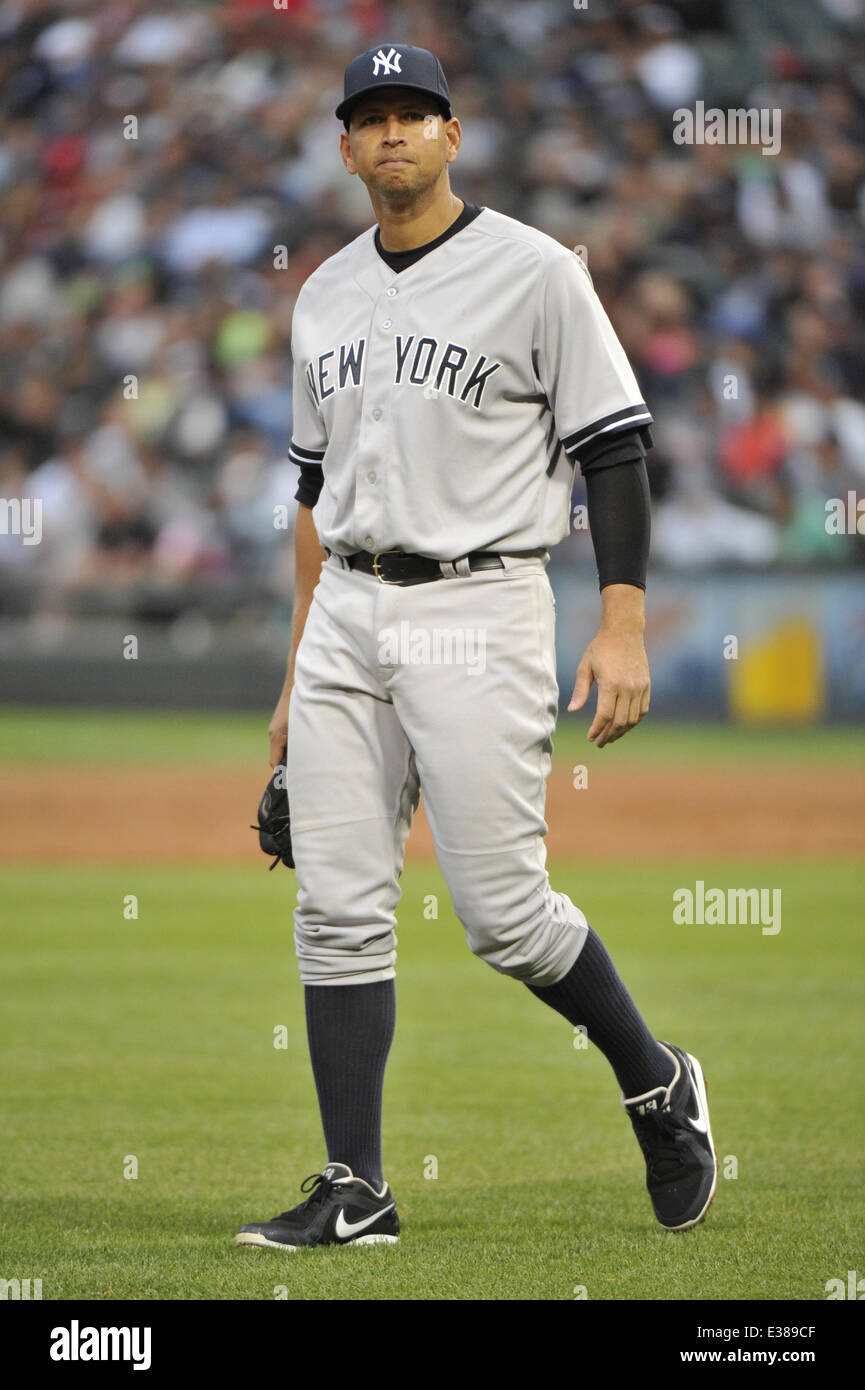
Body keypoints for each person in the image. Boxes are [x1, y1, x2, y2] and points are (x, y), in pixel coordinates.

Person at [236, 44, 716, 1252]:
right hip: (347, 604)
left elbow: (613, 447)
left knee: (502, 915)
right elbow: (311, 491)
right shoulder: (326, 293)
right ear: (345, 149)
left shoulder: (536, 273)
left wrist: (619, 620)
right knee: (337, 910)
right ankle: (357, 1185)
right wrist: (297, 675)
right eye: (371, 118)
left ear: (452, 136)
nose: (392, 134)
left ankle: (657, 1079)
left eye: (414, 114)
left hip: (481, 601)